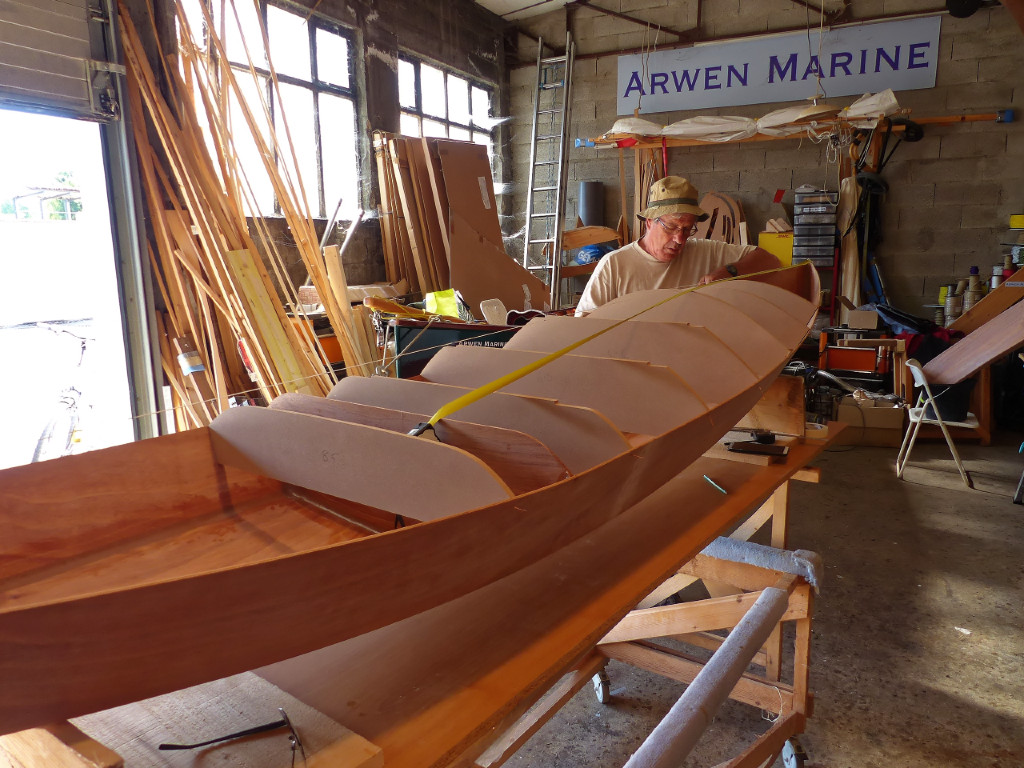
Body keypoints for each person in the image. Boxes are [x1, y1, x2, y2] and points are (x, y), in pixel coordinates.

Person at [574, 176, 781, 315]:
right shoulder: (614, 266)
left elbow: (769, 260)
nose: (680, 239)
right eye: (671, 227)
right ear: (649, 222)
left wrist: (729, 271)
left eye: (687, 229)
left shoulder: (704, 251)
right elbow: (583, 327)